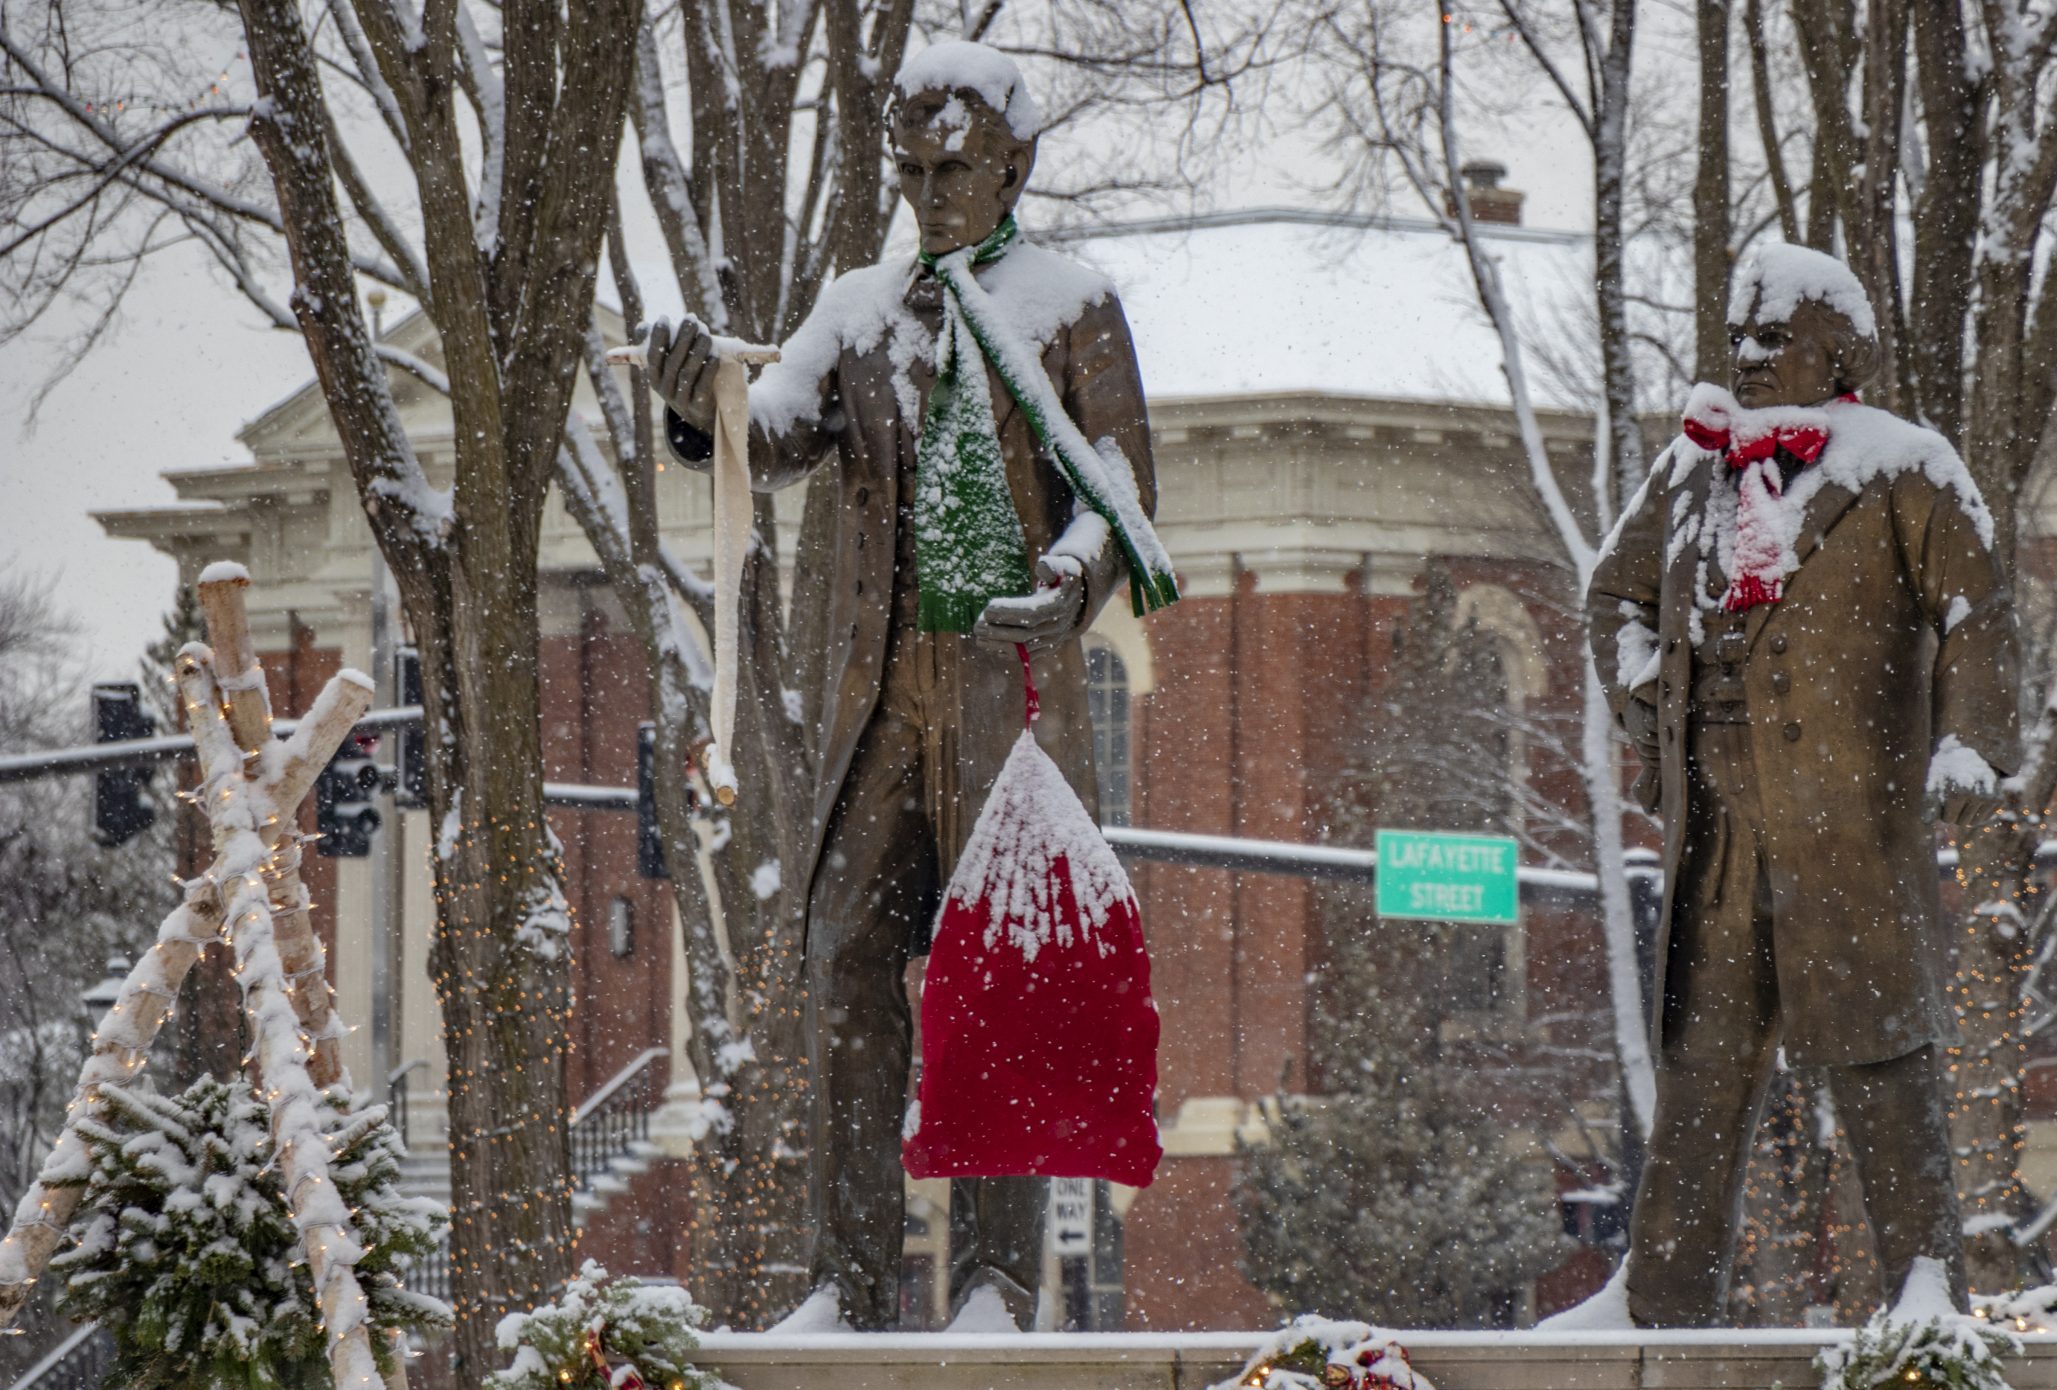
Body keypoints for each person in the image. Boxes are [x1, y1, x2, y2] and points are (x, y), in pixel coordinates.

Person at [644, 40, 1174, 1332]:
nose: (932, 195)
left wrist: (1069, 571)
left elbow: (1125, 487)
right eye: (914, 171)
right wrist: (698, 396)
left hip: (1004, 696)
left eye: (957, 171)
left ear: (1013, 168)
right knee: (845, 961)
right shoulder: (862, 309)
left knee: (990, 979)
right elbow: (774, 435)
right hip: (880, 702)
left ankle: (995, 1282)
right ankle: (846, 1275)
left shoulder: (1068, 305)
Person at [1585, 242, 2019, 1325]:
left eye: (1769, 339)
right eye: (1736, 339)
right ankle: (1654, 1311)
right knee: (1700, 1080)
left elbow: (1979, 614)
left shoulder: (1903, 468)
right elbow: (1613, 595)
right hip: (1717, 838)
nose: (1745, 358)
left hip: (1846, 845)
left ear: (1834, 345)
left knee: (1882, 1075)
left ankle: (1923, 1306)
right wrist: (1646, 697)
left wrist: (1966, 747)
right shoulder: (1691, 468)